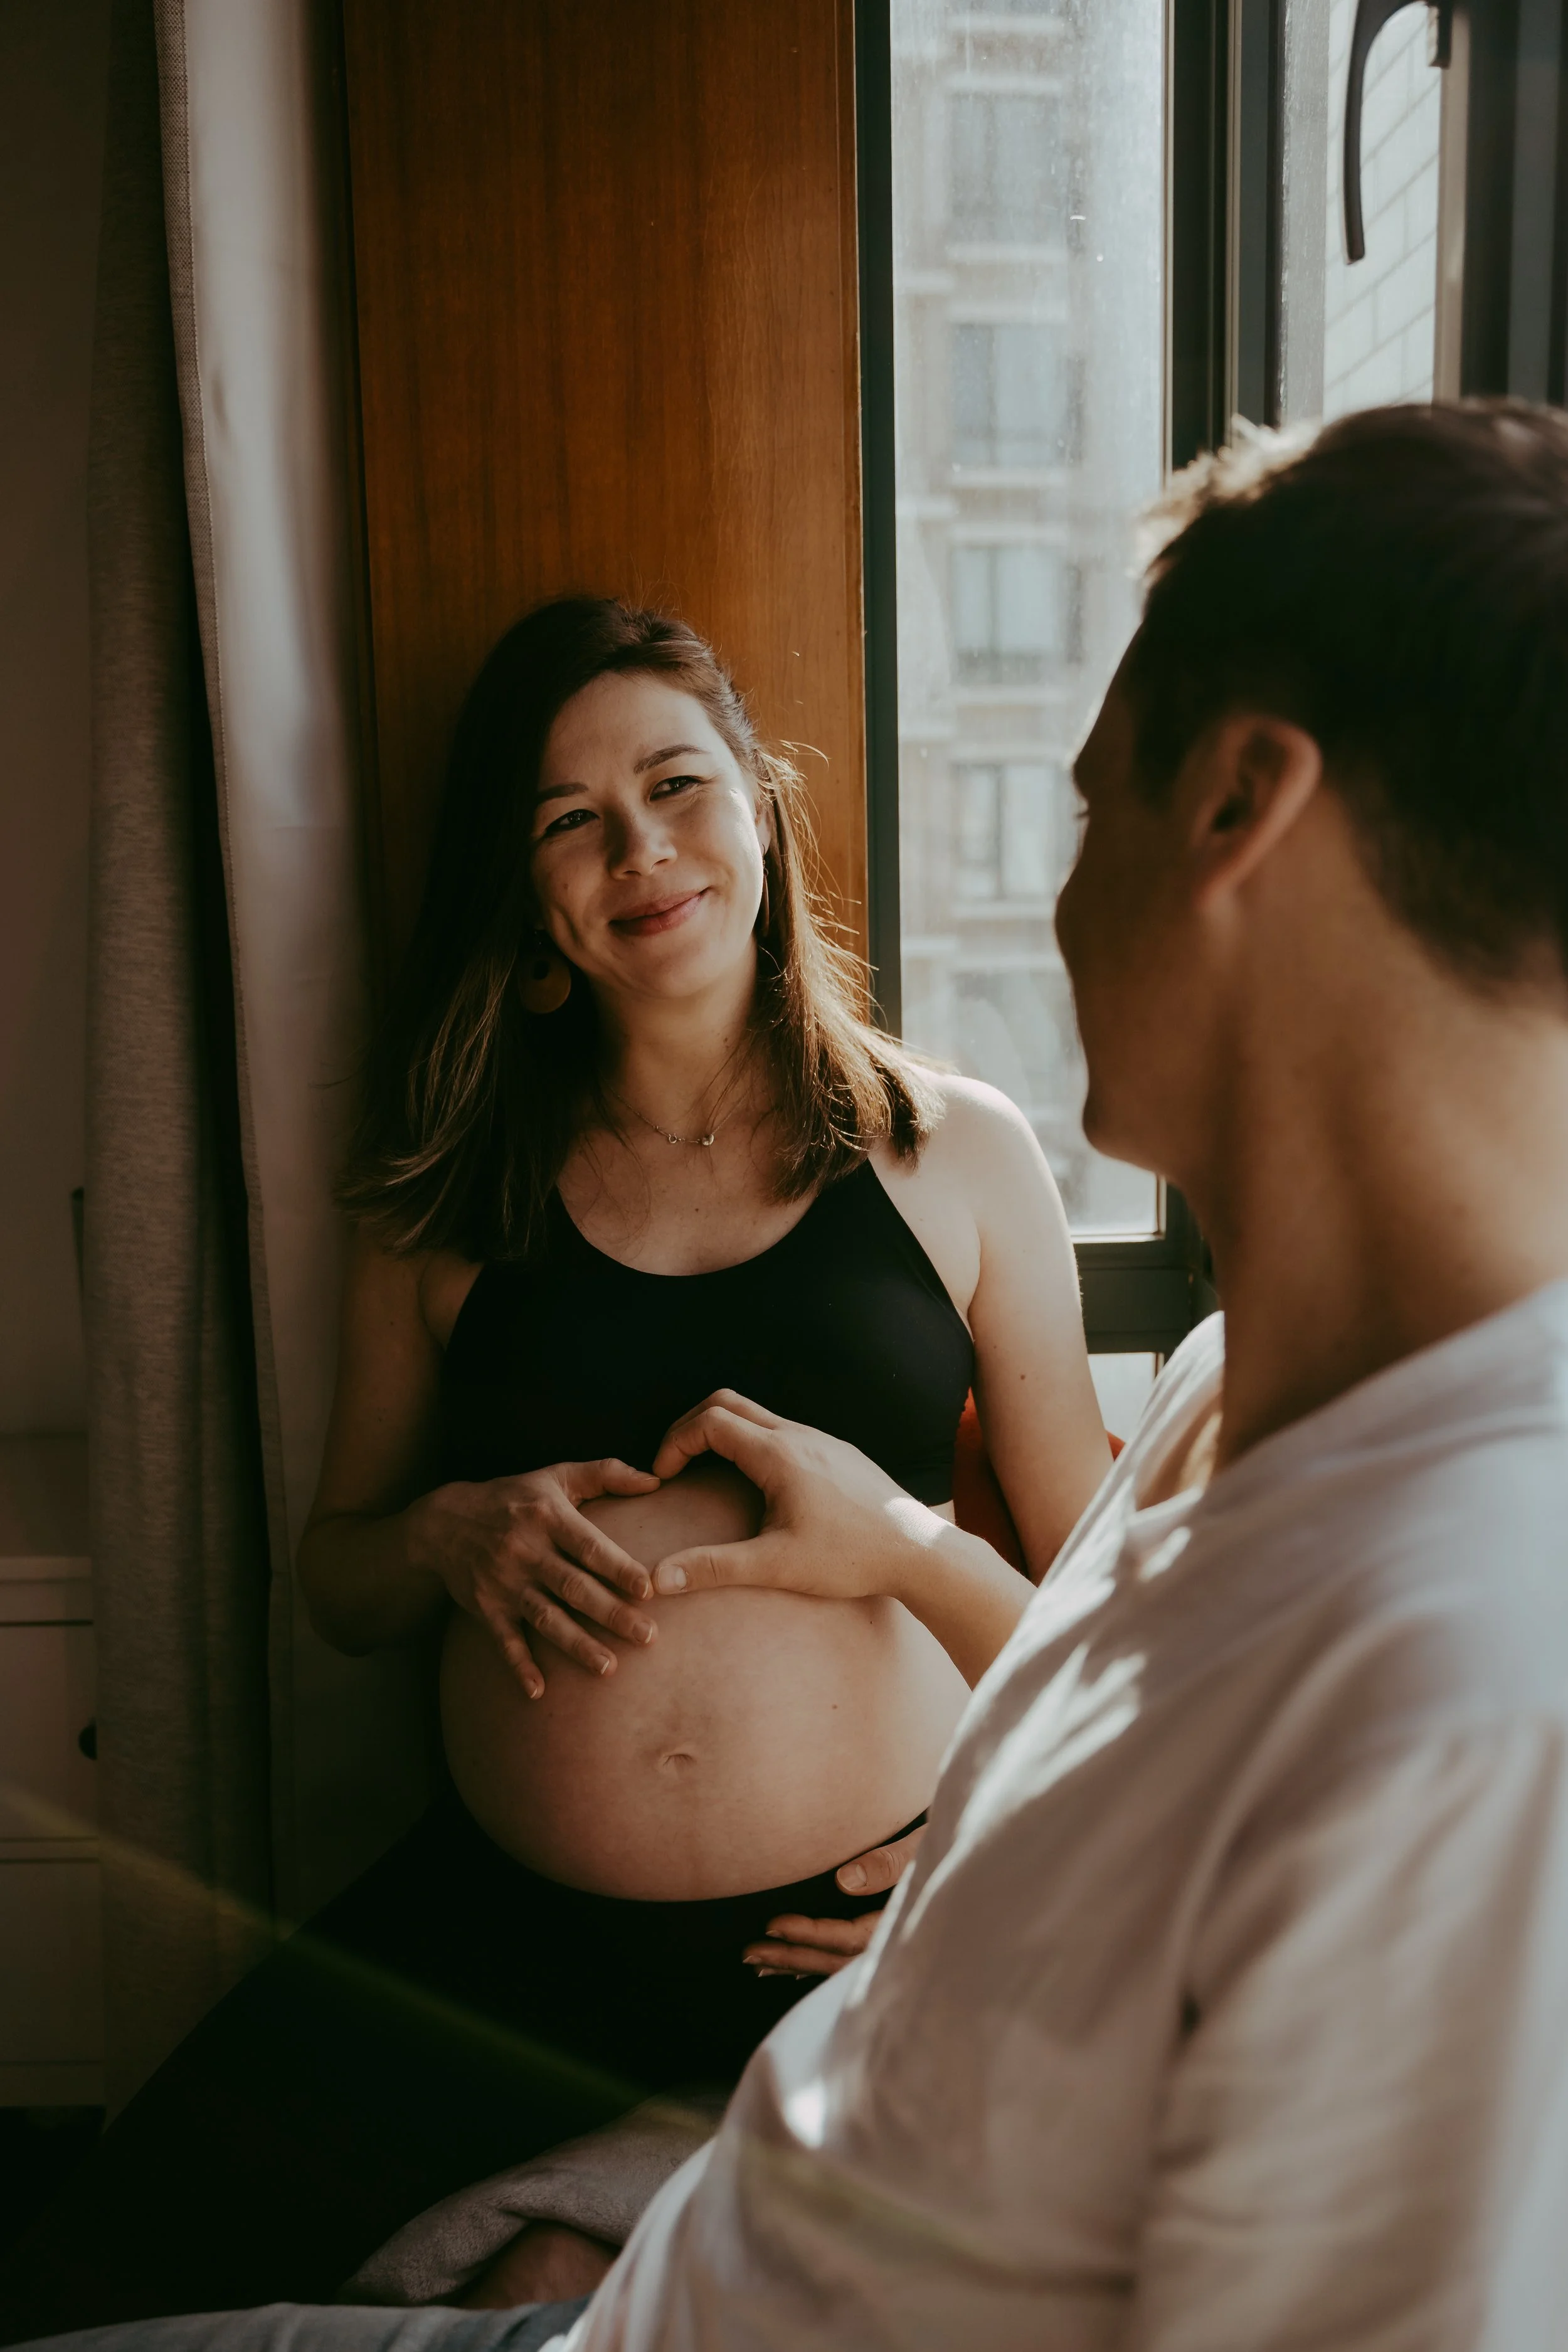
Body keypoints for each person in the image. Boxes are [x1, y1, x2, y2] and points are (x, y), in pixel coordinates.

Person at [34, 393, 1568, 2352]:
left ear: (1238, 809)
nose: (1052, 885)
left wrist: (918, 1647)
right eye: (569, 821)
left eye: (1091, 802)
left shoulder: (1454, 1653)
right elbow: (1072, 1735)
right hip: (582, 2002)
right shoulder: (1223, 1395)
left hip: (794, 1998)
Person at [0, 601, 1108, 2345]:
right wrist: (442, 1532)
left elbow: (1095, 1609)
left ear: (760, 806)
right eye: (567, 818)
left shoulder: (949, 1150)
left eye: (677, 784)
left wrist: (912, 1588)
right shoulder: (443, 1195)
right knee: (90, 2281)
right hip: (505, 1934)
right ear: (526, 892)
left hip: (841, 1941)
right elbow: (338, 1578)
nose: (638, 849)